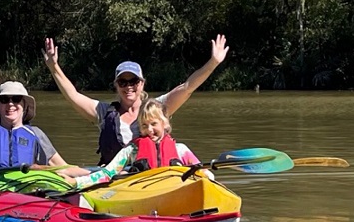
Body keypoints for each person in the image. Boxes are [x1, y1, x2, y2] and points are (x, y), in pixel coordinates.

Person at [42, 34, 229, 165]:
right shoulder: (103, 112)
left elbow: (188, 87)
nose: (129, 86)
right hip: (116, 180)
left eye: (134, 81)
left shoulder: (157, 108)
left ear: (142, 83)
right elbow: (73, 95)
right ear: (116, 85)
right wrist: (54, 67)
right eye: (123, 82)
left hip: (150, 177)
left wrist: (213, 63)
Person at [60, 99, 205, 189]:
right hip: (142, 193)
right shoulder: (131, 150)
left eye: (153, 124)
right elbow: (107, 173)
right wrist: (76, 183)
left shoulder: (181, 150)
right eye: (144, 125)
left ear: (164, 123)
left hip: (174, 191)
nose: (149, 130)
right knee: (122, 174)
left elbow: (204, 173)